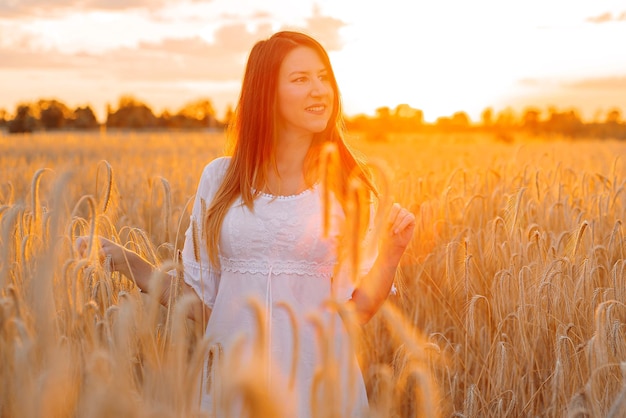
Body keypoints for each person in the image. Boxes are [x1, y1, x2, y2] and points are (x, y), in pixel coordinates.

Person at [78, 30, 415, 417]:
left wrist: (391, 255)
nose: (319, 90)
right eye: (301, 79)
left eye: (324, 77)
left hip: (319, 385)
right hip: (232, 384)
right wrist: (128, 262)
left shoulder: (346, 187)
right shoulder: (220, 180)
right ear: (266, 93)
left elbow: (356, 311)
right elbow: (203, 303)